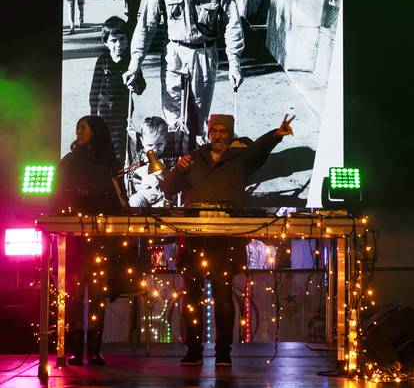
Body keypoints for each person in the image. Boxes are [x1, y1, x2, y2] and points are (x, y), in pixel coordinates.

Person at [160, 112, 295, 367]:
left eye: (224, 131)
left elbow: (258, 151)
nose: (219, 135)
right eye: (215, 131)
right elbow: (168, 189)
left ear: (231, 134)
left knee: (223, 295)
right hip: (194, 239)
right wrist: (178, 169)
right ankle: (193, 350)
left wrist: (276, 135)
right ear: (208, 133)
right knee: (191, 296)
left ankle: (223, 352)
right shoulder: (195, 157)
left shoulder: (240, 159)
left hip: (225, 238)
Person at [123, 0, 245, 148]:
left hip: (204, 55)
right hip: (174, 55)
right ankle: (174, 169)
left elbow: (232, 21)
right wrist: (134, 64)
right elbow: (146, 25)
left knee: (198, 119)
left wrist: (235, 63)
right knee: (172, 118)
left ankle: (193, 166)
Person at [51, 115, 128, 366]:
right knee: (73, 293)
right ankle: (73, 348)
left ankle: (94, 349)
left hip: (101, 238)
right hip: (74, 240)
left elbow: (120, 199)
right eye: (77, 127)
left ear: (96, 132)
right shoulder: (70, 161)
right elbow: (57, 194)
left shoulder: (110, 163)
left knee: (97, 293)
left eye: (83, 127)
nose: (78, 131)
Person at [89, 16, 131, 163]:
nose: (118, 44)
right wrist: (93, 117)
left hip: (123, 113)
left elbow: (141, 85)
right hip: (103, 114)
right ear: (106, 42)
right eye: (114, 40)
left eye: (122, 39)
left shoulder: (130, 61)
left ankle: (117, 176)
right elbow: (94, 91)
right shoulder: (102, 61)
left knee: (119, 149)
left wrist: (136, 84)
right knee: (102, 145)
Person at [127, 116, 178, 207]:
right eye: (150, 145)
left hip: (162, 195)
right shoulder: (140, 156)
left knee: (163, 207)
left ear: (165, 141)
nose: (154, 149)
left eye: (159, 144)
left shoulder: (169, 157)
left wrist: (162, 174)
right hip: (144, 193)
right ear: (142, 142)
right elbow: (133, 175)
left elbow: (174, 180)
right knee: (135, 201)